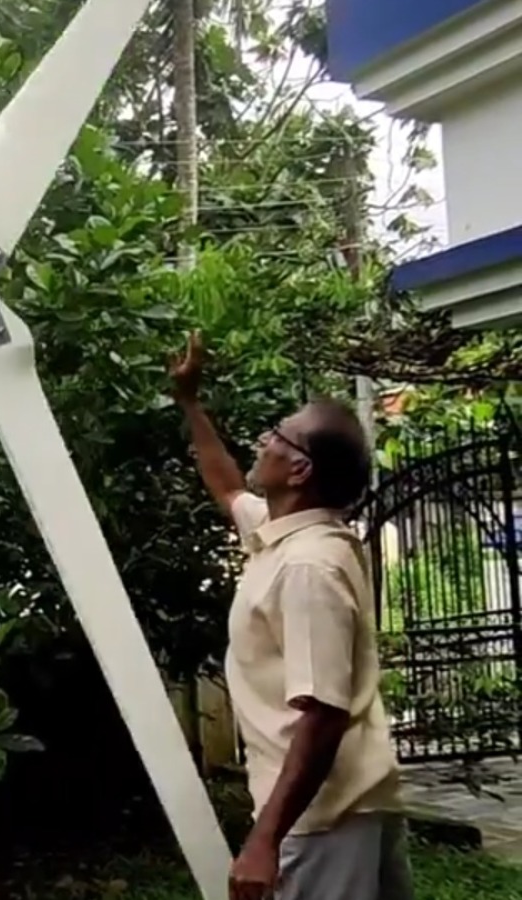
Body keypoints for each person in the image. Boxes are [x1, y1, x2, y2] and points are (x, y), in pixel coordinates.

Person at [169, 332, 413, 900]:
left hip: (327, 820)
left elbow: (323, 714)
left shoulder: (308, 567)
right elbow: (227, 486)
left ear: (299, 471)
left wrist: (264, 838)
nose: (263, 440)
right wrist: (190, 402)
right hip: (345, 809)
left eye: (277, 435)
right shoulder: (286, 538)